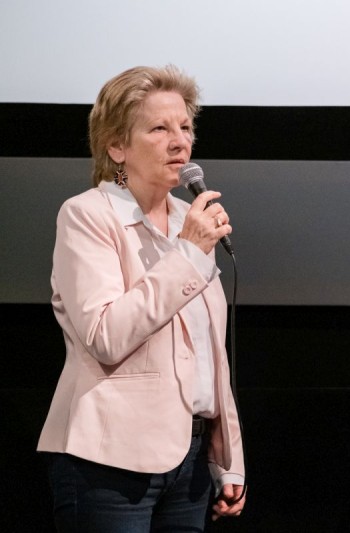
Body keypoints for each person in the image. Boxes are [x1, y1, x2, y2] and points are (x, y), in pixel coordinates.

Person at [37, 65, 246, 531]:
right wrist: (189, 253)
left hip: (190, 464)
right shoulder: (88, 216)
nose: (180, 142)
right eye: (159, 128)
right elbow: (106, 335)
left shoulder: (188, 220)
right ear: (117, 146)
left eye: (186, 127)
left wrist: (228, 454)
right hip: (109, 463)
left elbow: (209, 353)